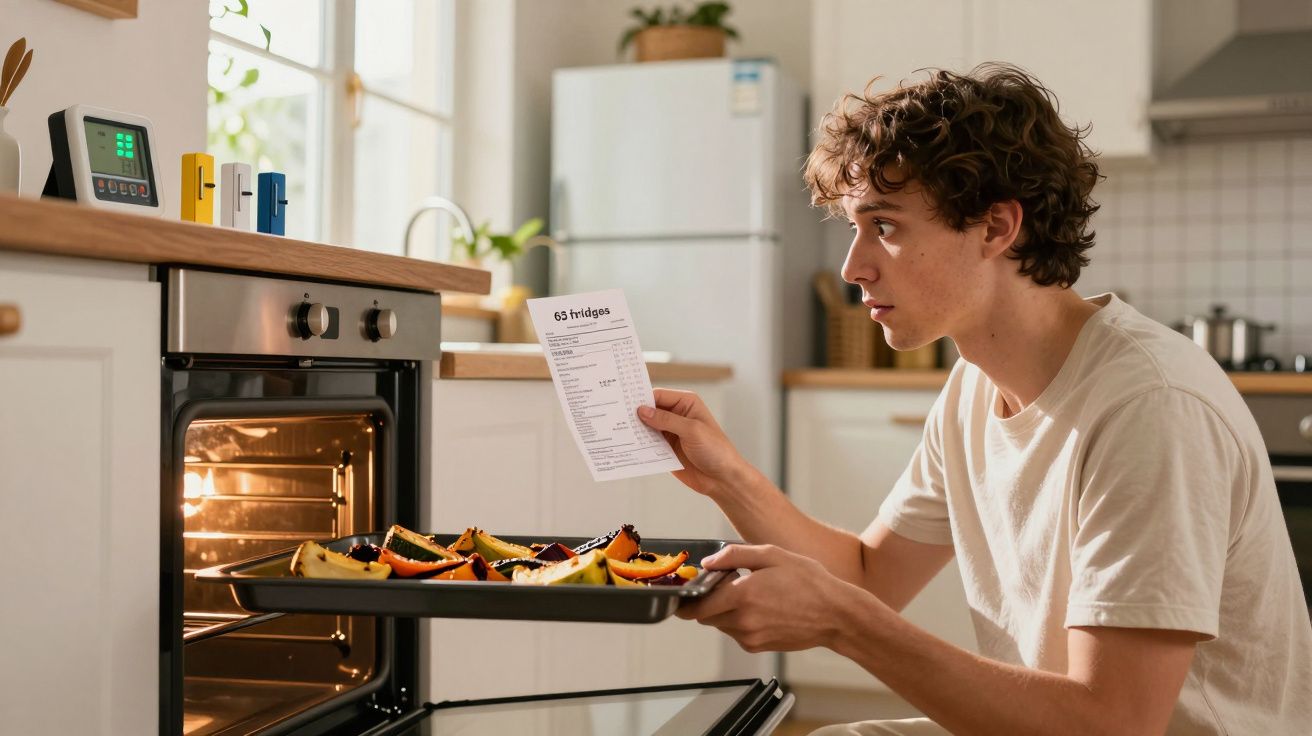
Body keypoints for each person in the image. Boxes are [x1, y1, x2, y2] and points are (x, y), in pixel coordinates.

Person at [636, 63, 1312, 735]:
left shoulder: (1149, 405)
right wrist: (730, 478)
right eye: (853, 227)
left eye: (886, 226)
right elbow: (870, 576)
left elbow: (1115, 724)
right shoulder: (973, 385)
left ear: (996, 228)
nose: (852, 267)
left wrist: (844, 622)